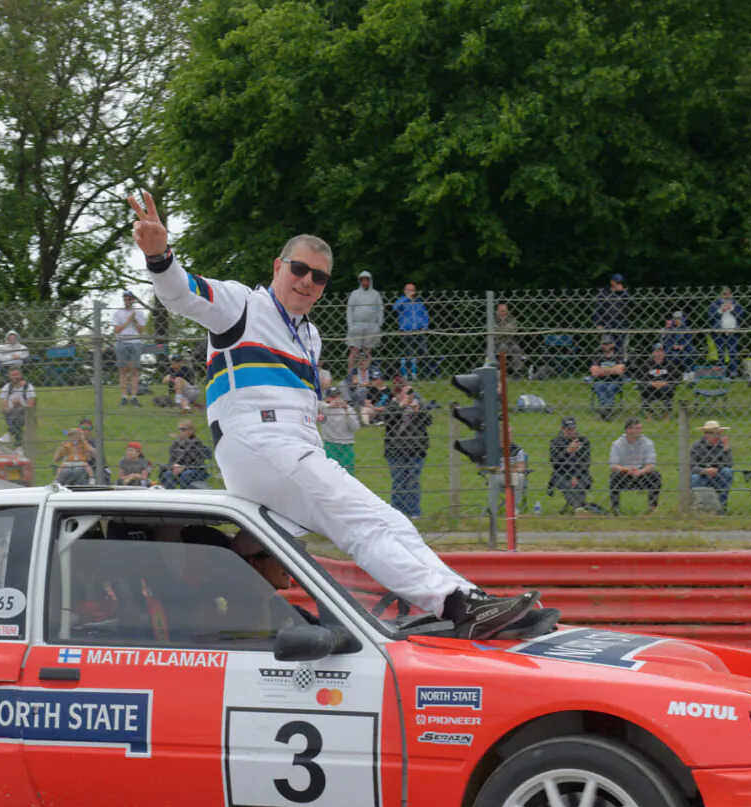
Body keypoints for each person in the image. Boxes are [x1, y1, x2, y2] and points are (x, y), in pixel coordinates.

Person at [129, 189, 534, 634]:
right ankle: (455, 606)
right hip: (255, 441)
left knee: (389, 519)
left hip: (290, 448)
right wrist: (160, 255)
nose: (307, 280)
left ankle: (467, 598)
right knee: (358, 518)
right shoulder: (241, 304)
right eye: (299, 269)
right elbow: (182, 293)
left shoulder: (311, 337)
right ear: (277, 267)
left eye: (319, 277)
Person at [380, 384, 431, 518]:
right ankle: (398, 512)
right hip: (395, 450)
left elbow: (428, 421)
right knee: (399, 481)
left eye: (409, 392)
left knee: (413, 481)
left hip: (416, 449)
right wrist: (401, 405)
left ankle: (414, 512)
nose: (406, 395)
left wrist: (417, 411)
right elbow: (387, 419)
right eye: (402, 392)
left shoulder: (419, 405)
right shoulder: (392, 406)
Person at [607, 417, 659, 514]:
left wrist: (641, 471)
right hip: (624, 473)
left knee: (656, 476)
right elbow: (614, 466)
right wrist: (626, 470)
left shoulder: (647, 442)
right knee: (614, 477)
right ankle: (615, 508)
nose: (640, 431)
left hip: (642, 473)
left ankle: (652, 507)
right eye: (637, 428)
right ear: (628, 430)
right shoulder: (617, 444)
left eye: (641, 428)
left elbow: (651, 464)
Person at [547, 416, 592, 512]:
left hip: (580, 473)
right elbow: (555, 463)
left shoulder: (583, 441)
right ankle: (579, 507)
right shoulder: (555, 442)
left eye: (573, 429)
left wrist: (575, 475)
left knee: (581, 482)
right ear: (562, 429)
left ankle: (579, 507)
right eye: (568, 429)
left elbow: (586, 462)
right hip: (561, 473)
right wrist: (567, 451)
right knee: (566, 484)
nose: (571, 431)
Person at [112, 291, 149, 406]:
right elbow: (117, 330)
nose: (128, 301)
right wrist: (127, 321)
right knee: (123, 371)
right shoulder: (118, 313)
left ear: (133, 300)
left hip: (135, 342)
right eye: (126, 299)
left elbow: (141, 330)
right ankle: (124, 396)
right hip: (122, 342)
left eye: (130, 299)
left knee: (134, 370)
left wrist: (134, 320)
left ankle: (133, 396)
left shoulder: (139, 313)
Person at [346, 271, 383, 381]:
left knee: (367, 352)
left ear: (370, 281)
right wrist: (350, 325)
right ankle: (350, 375)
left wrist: (378, 324)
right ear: (360, 281)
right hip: (356, 326)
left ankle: (365, 375)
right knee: (354, 351)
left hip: (371, 326)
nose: (365, 282)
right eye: (363, 280)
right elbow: (349, 309)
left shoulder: (375, 294)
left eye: (367, 280)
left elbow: (380, 309)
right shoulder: (355, 294)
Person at [689, 419, 733, 511]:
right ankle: (699, 507)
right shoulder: (696, 446)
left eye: (718, 434)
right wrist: (705, 471)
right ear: (706, 434)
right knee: (694, 478)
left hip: (718, 474)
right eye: (714, 434)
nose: (718, 436)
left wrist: (725, 450)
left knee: (727, 472)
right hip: (701, 475)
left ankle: (721, 506)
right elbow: (691, 466)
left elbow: (729, 464)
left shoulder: (723, 446)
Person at [391, 282, 430, 381]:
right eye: (408, 290)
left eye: (412, 290)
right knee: (409, 353)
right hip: (406, 331)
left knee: (423, 351)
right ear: (404, 291)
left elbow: (425, 315)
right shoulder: (402, 301)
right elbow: (394, 307)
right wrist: (406, 298)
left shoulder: (419, 302)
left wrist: (425, 327)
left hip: (420, 330)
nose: (410, 292)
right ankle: (409, 375)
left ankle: (426, 374)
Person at [318, 386, 359, 473]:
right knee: (330, 472)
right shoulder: (324, 409)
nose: (335, 399)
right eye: (332, 397)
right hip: (330, 444)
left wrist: (347, 412)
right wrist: (329, 405)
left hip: (346, 444)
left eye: (336, 396)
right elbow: (314, 405)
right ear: (327, 398)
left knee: (348, 472)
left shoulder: (348, 409)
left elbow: (355, 427)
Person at [161, 419, 212, 488]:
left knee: (186, 474)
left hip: (195, 470)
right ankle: (171, 496)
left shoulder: (197, 443)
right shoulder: (176, 443)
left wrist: (184, 468)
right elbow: (171, 460)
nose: (180, 431)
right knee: (168, 474)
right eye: (179, 429)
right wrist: (174, 466)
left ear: (191, 431)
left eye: (183, 429)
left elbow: (198, 463)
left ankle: (185, 496)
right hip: (178, 469)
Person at [707, 288, 743, 376]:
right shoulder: (715, 304)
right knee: (720, 353)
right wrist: (721, 310)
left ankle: (733, 373)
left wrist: (732, 309)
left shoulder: (735, 303)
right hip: (719, 332)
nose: (726, 296)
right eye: (724, 294)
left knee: (733, 352)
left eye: (728, 294)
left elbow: (742, 314)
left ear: (731, 294)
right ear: (721, 295)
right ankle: (721, 373)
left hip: (733, 331)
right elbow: (709, 316)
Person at [589, 337, 627, 419]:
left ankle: (605, 409)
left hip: (616, 380)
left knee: (611, 387)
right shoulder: (597, 355)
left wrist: (602, 370)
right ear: (602, 345)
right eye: (604, 344)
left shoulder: (618, 355)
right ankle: (607, 408)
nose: (606, 346)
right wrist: (613, 369)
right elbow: (594, 372)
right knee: (600, 386)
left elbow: (620, 370)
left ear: (613, 344)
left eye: (609, 344)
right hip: (600, 381)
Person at [0, 367, 36, 445]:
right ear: (9, 376)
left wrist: (20, 404)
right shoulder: (6, 388)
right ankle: (19, 446)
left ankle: (9, 433)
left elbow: (30, 408)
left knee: (19, 410)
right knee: (16, 413)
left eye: (17, 375)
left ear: (21, 375)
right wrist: (13, 407)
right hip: (10, 414)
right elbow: (3, 410)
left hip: (25, 414)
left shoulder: (28, 387)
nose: (15, 377)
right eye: (12, 375)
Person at [636, 346, 675, 420]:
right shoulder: (646, 364)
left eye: (661, 351)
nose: (659, 353)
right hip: (650, 388)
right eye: (656, 351)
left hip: (665, 387)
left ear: (664, 353)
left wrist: (665, 382)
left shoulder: (670, 364)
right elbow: (641, 377)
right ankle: (649, 415)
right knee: (644, 389)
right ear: (653, 353)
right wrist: (651, 383)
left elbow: (676, 376)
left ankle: (665, 415)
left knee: (670, 389)